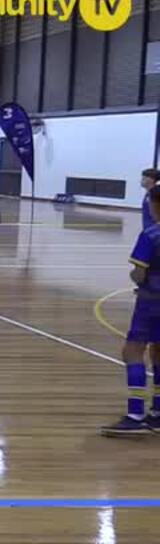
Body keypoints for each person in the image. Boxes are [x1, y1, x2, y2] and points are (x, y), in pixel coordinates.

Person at [103, 185, 160, 435]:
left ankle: (135, 413)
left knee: (133, 350)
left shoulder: (151, 234)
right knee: (159, 351)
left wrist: (137, 277)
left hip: (151, 301)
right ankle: (157, 412)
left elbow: (139, 273)